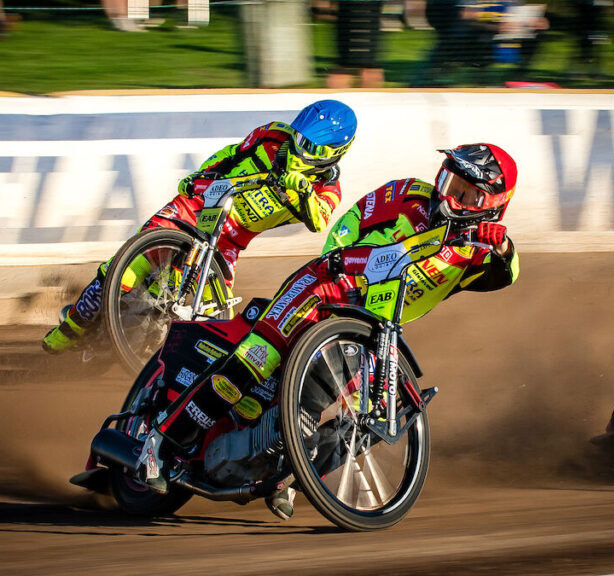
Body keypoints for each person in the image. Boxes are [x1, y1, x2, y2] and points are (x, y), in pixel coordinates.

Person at [136, 143, 520, 519]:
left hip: (372, 329)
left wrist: (501, 246)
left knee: (353, 410)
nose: (448, 197)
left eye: (466, 194)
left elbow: (507, 272)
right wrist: (340, 258)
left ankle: (288, 471)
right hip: (322, 288)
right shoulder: (408, 193)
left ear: (491, 206)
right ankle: (158, 443)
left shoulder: (476, 253)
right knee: (251, 364)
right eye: (449, 182)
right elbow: (350, 221)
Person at [41, 100, 358, 355]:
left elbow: (319, 221)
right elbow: (232, 153)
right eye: (299, 139)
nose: (299, 149)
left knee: (215, 322)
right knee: (122, 271)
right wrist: (199, 175)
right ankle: (72, 327)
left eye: (311, 148)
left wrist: (303, 190)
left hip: (230, 241)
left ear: (334, 153)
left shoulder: (327, 190)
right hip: (200, 206)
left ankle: (156, 354)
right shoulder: (273, 135)